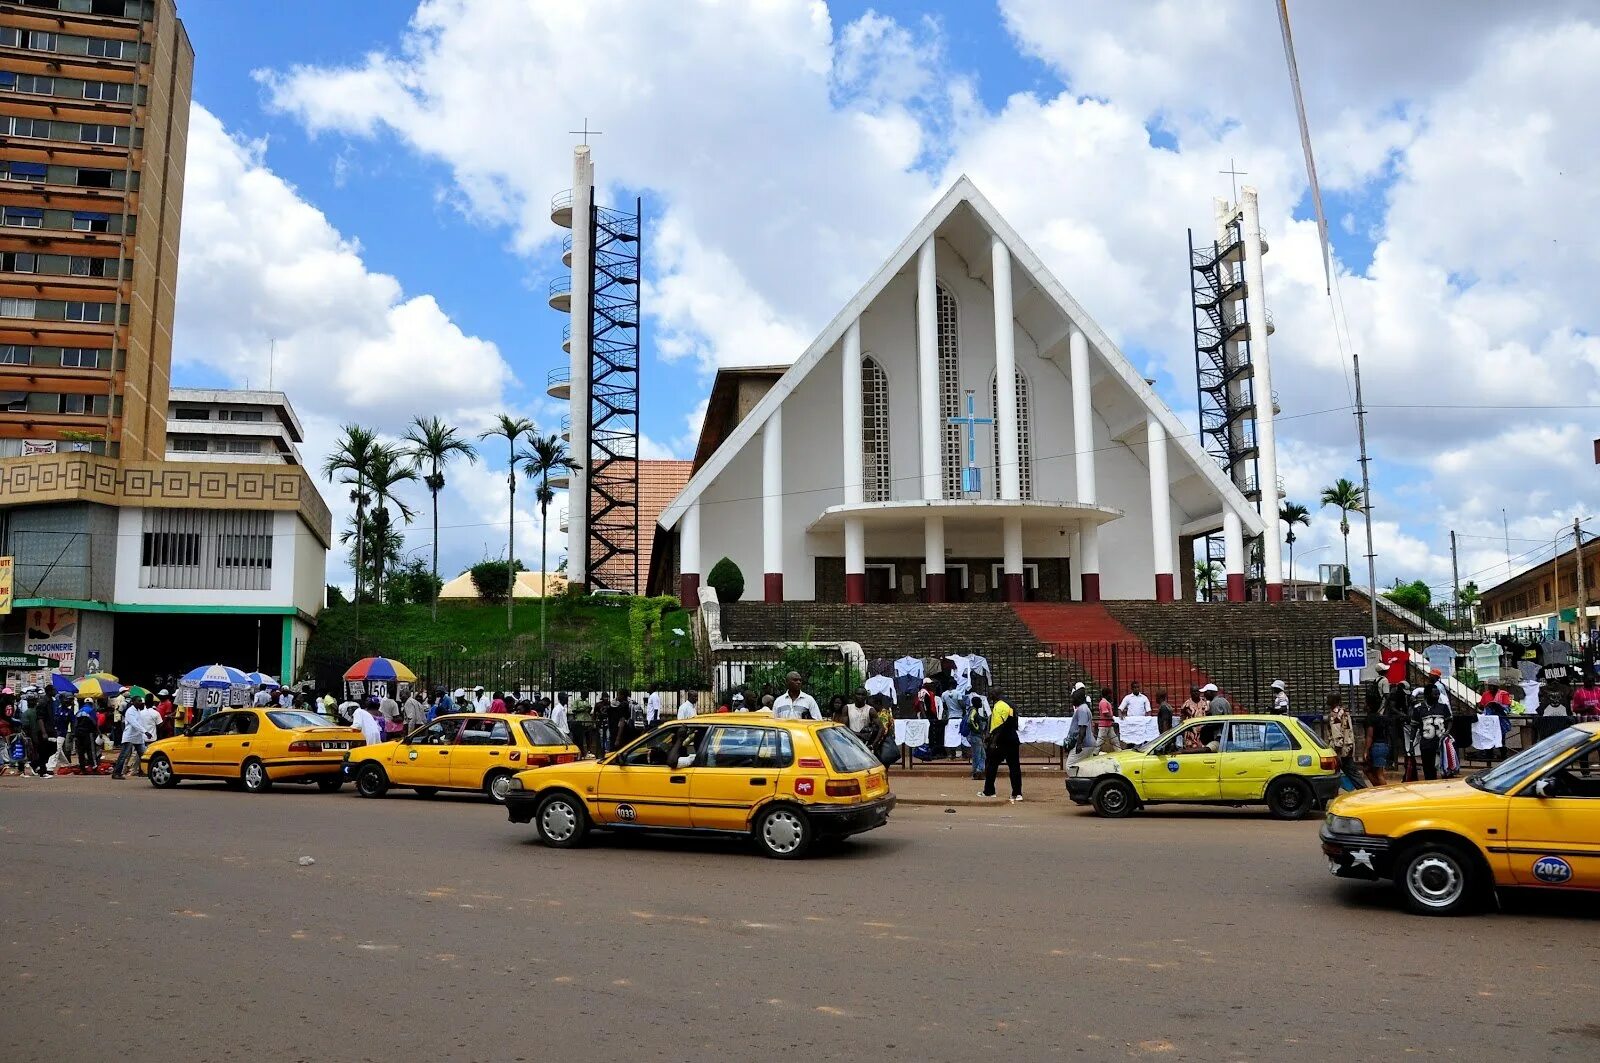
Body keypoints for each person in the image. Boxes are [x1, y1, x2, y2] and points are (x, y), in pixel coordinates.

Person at [980, 690, 1022, 802]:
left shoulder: (998, 706)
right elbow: (1014, 724)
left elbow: (999, 726)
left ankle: (989, 791)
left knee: (991, 765)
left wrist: (993, 741)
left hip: (1000, 740)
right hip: (1013, 738)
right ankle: (1017, 793)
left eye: (991, 696)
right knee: (1014, 767)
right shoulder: (1011, 705)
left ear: (994, 696)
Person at [111, 698, 158, 780]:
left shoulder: (138, 711)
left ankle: (144, 771)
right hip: (130, 736)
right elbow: (134, 723)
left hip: (138, 737)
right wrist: (145, 732)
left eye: (141, 701)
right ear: (133, 702)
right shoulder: (130, 711)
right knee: (124, 755)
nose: (141, 702)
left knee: (143, 754)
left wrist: (144, 733)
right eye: (138, 701)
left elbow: (140, 723)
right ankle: (116, 773)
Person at [1326, 692, 1365, 790]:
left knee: (1351, 773)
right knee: (1351, 773)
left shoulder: (1334, 715)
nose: (1327, 700)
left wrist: (1338, 752)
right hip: (1348, 747)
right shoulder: (1344, 712)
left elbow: (1337, 735)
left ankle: (1364, 791)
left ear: (1333, 701)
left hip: (1340, 751)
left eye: (1329, 698)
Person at [1414, 683, 1450, 781]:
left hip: (1441, 744)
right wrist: (1411, 744)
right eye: (1435, 694)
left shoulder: (1443, 707)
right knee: (1428, 768)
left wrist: (1447, 732)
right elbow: (1414, 726)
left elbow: (1449, 721)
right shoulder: (1418, 708)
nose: (1437, 696)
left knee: (1445, 768)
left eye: (1438, 694)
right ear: (1427, 695)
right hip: (1426, 744)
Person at [964, 692, 991, 780]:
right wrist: (977, 729)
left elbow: (979, 718)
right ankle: (977, 772)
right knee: (978, 755)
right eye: (980, 702)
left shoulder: (973, 710)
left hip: (976, 736)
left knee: (981, 755)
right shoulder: (974, 711)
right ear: (977, 703)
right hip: (975, 736)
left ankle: (978, 771)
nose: (981, 704)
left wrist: (987, 719)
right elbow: (970, 721)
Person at [914, 678, 943, 759]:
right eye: (930, 684)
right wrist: (925, 718)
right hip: (927, 716)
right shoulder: (922, 692)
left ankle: (932, 753)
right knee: (929, 734)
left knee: (932, 734)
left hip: (930, 715)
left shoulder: (929, 692)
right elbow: (921, 704)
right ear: (925, 684)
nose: (932, 685)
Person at [1065, 687, 1095, 766]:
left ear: (1079, 699)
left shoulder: (1082, 710)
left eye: (1074, 699)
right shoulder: (1084, 708)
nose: (1072, 701)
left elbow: (1082, 728)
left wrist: (1079, 744)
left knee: (1070, 765)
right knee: (1084, 766)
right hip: (1087, 744)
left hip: (1084, 744)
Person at [73, 698, 100, 772]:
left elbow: (75, 723)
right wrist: (99, 732)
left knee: (81, 751)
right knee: (91, 750)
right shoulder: (91, 710)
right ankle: (94, 766)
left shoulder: (79, 711)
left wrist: (75, 733)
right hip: (88, 733)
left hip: (78, 733)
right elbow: (95, 723)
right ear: (92, 703)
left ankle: (82, 767)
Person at [570, 691, 596, 757]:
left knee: (588, 737)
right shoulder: (577, 701)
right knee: (580, 738)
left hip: (587, 721)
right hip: (580, 721)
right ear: (583, 694)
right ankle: (581, 752)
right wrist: (583, 709)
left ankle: (589, 752)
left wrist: (589, 709)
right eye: (586, 694)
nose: (587, 695)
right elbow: (574, 710)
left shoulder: (587, 701)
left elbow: (588, 710)